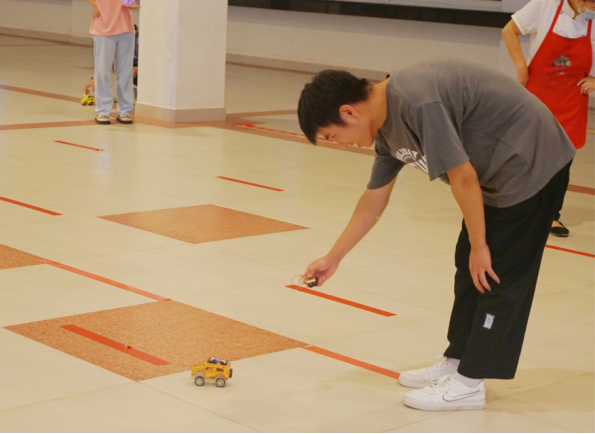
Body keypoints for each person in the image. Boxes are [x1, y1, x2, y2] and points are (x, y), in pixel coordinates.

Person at [298, 59, 575, 411]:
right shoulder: (385, 127)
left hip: (531, 164)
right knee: (468, 267)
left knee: (496, 273)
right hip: (495, 174)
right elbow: (374, 199)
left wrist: (480, 244)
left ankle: (470, 382)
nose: (340, 144)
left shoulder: (416, 101)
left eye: (332, 136)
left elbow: (463, 176)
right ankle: (458, 360)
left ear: (348, 112)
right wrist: (333, 257)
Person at [502, 0, 595, 237]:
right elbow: (509, 31)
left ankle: (551, 216)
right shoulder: (545, 5)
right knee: (528, 157)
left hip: (572, 101)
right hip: (538, 97)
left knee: (561, 164)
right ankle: (518, 210)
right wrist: (521, 68)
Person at [86, 0, 140, 125]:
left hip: (126, 27)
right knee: (102, 72)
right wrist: (94, 4)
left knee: (125, 72)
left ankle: (125, 111)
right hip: (104, 27)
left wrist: (131, 3)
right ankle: (102, 111)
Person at [83, 25, 140, 98]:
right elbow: (104, 60)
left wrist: (138, 69)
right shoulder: (110, 39)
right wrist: (95, 78)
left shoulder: (143, 37)